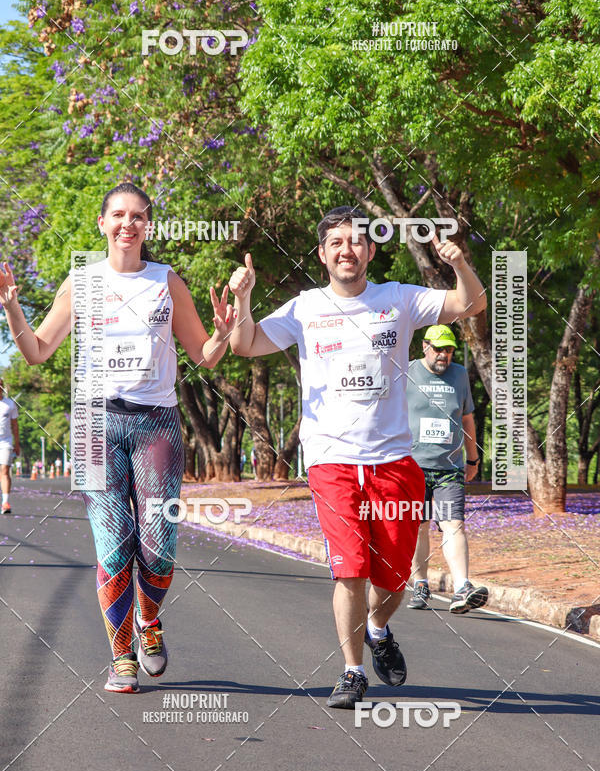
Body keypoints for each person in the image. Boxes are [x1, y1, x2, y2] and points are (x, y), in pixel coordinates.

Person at [229, 206, 486, 709]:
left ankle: (378, 628)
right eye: (337, 243)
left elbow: (470, 304)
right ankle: (351, 672)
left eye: (357, 242)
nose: (347, 250)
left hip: (394, 462)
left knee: (391, 580)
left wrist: (459, 263)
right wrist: (242, 300)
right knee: (349, 569)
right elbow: (245, 343)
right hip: (332, 461)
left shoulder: (399, 299)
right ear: (323, 254)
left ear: (370, 251)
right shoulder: (305, 308)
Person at [0, 182, 235, 693]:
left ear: (147, 225)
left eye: (138, 216)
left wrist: (223, 331)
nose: (128, 224)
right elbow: (38, 351)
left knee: (157, 547)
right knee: (113, 545)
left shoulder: (166, 281)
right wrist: (11, 308)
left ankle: (149, 621)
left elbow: (204, 354)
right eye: (118, 215)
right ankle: (121, 655)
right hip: (94, 425)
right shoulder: (81, 282)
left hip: (157, 425)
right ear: (103, 224)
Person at [406, 325, 488, 614]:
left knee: (454, 523)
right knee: (418, 527)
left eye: (450, 350)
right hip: (412, 466)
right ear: (425, 346)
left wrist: (472, 459)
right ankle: (420, 583)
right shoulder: (406, 372)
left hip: (449, 467)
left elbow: (466, 419)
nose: (445, 355)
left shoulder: (460, 375)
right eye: (439, 349)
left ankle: (462, 587)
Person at [0, 378, 19, 513]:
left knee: (5, 470)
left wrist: (17, 444)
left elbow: (15, 425)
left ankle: (5, 502)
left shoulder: (10, 404)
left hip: (5, 441)